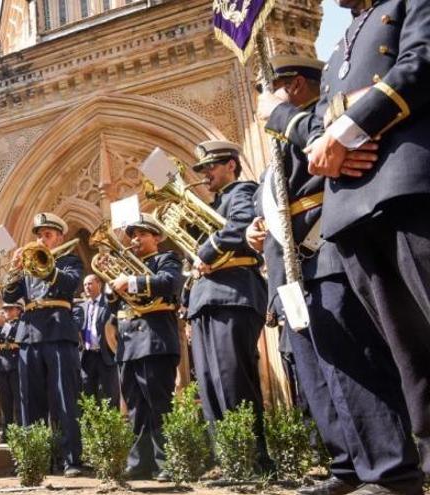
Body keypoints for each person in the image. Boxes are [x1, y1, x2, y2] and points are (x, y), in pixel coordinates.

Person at [254, 55, 424, 495]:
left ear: (292, 87)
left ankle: (389, 468)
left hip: (324, 252)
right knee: (321, 375)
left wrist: (287, 121)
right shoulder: (277, 144)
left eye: (270, 92)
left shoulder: (314, 124)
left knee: (355, 366)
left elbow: (322, 173)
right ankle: (348, 464)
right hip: (291, 270)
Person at [299, 0, 430, 482]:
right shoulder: (339, 45)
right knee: (408, 355)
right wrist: (324, 146)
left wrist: (351, 128)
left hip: (406, 184)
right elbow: (317, 120)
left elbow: (422, 62)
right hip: (350, 208)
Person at [184, 140, 272, 469]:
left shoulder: (242, 191)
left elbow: (240, 228)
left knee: (233, 378)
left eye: (211, 167)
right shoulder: (216, 203)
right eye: (203, 169)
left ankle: (253, 459)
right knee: (209, 383)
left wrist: (204, 253)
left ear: (231, 165)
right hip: (206, 298)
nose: (206, 174)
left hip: (234, 293)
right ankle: (230, 460)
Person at [3, 212, 84, 477]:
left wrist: (47, 267)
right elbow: (9, 295)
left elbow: (70, 284)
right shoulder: (27, 266)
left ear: (60, 236)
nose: (41, 239)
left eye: (47, 235)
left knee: (63, 398)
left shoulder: (69, 259)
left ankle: (70, 459)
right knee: (30, 400)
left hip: (58, 330)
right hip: (29, 333)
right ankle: (35, 457)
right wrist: (14, 270)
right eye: (38, 235)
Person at [108, 217, 184, 481]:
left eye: (142, 234)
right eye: (133, 235)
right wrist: (113, 290)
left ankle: (166, 463)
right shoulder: (126, 268)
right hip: (129, 344)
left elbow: (170, 284)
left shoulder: (167, 259)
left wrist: (131, 282)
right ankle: (139, 461)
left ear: (157, 237)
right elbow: (114, 309)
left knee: (159, 404)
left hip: (155, 340)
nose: (135, 239)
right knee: (135, 408)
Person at [73, 275, 118, 405]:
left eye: (90, 284)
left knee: (108, 395)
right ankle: (90, 425)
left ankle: (109, 425)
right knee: (87, 395)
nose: (87, 287)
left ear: (100, 284)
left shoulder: (109, 304)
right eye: (85, 284)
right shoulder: (81, 307)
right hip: (87, 357)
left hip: (106, 355)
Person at [0, 303, 23, 438]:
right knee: (5, 401)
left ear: (18, 310)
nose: (6, 311)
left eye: (10, 309)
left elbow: (18, 335)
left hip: (16, 363)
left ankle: (20, 429)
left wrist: (3, 325)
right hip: (2, 364)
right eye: (5, 309)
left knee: (19, 400)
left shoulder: (22, 322)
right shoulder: (3, 324)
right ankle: (7, 430)